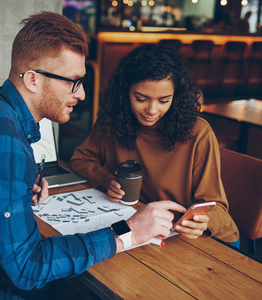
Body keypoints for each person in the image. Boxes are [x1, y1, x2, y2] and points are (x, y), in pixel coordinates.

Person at [0, 12, 186, 300]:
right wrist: (128, 232)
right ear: (33, 79)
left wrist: (20, 183)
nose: (81, 94)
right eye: (73, 81)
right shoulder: (1, 139)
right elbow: (28, 268)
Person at [70, 45, 240, 245]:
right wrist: (106, 180)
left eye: (164, 100)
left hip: (200, 239)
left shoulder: (198, 134)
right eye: (141, 99)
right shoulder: (112, 122)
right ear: (125, 93)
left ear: (175, 97)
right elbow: (80, 159)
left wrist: (203, 221)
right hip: (145, 229)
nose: (151, 110)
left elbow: (217, 207)